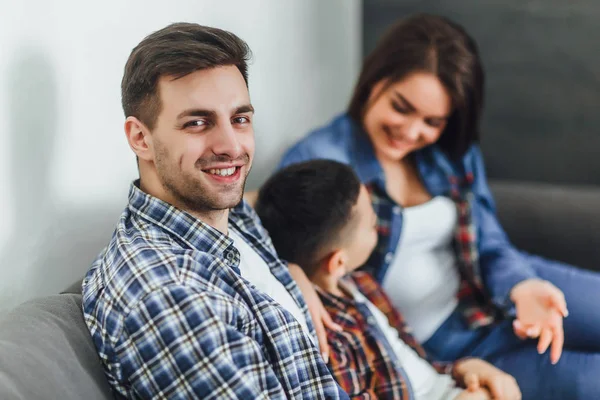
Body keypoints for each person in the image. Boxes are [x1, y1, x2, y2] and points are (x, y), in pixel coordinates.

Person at [276, 13, 600, 400]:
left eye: (433, 121)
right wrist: (291, 272)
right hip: (455, 344)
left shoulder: (450, 150)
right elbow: (275, 234)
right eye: (401, 107)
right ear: (374, 82)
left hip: (504, 286)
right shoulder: (320, 160)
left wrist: (522, 286)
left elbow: (490, 241)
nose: (413, 132)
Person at [82, 23, 348, 399]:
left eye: (240, 119)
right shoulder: (168, 297)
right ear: (141, 138)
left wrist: (292, 271)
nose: (231, 146)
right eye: (197, 123)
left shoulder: (221, 210)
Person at [254, 159, 521, 400]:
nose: (379, 228)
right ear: (337, 261)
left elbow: (417, 362)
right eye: (372, 225)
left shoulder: (364, 285)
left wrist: (464, 368)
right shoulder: (330, 337)